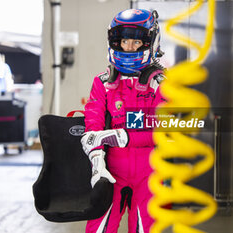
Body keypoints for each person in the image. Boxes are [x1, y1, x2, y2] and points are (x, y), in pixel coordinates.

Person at [80, 9, 166, 233]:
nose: (129, 47)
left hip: (149, 175)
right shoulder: (103, 82)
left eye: (136, 41)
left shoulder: (161, 83)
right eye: (124, 41)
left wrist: (123, 136)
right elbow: (93, 123)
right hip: (111, 173)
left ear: (150, 42)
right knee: (98, 229)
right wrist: (97, 161)